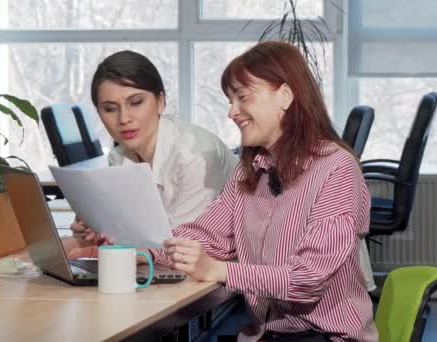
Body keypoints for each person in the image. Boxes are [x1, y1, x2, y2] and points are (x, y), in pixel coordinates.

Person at [153, 41, 378, 341]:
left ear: (285, 96)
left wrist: (219, 271)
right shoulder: (250, 171)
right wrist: (144, 254)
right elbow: (207, 237)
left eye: (242, 97)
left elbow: (307, 278)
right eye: (230, 100)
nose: (232, 112)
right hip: (269, 334)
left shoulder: (336, 169)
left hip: (326, 336)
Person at [66, 50, 238, 257]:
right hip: (158, 269)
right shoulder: (118, 157)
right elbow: (126, 233)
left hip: (215, 277)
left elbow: (179, 247)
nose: (124, 118)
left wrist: (96, 250)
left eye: (136, 102)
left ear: (160, 102)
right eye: (110, 108)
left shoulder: (195, 155)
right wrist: (94, 230)